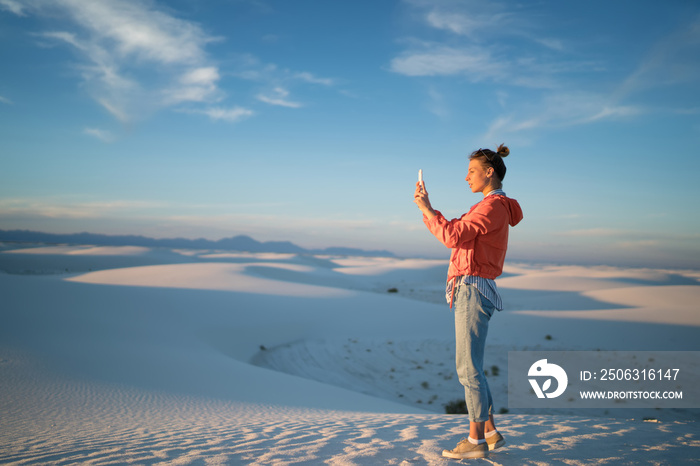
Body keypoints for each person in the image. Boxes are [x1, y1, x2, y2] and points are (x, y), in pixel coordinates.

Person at [413, 144, 523, 460]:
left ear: (490, 172)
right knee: (472, 366)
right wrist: (429, 210)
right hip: (473, 287)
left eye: (472, 171)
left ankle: (475, 441)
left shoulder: (492, 207)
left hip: (472, 288)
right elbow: (458, 233)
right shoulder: (492, 207)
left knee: (468, 368)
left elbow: (452, 235)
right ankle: (489, 431)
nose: (466, 177)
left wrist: (426, 209)